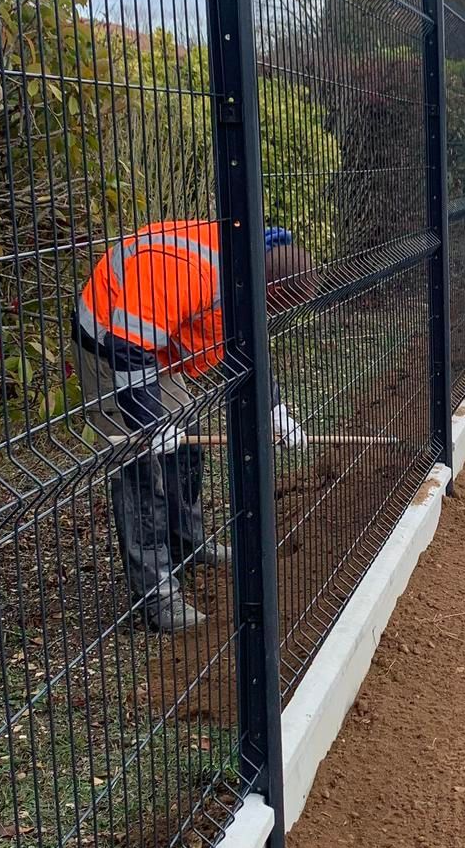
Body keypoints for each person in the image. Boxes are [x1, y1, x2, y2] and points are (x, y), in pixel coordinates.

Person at [73, 221, 314, 633]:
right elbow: (127, 346)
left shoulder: (244, 264)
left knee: (185, 443)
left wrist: (273, 407)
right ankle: (157, 596)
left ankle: (188, 543)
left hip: (154, 350)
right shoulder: (187, 269)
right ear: (260, 287)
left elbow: (243, 345)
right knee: (141, 465)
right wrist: (149, 424)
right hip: (109, 346)